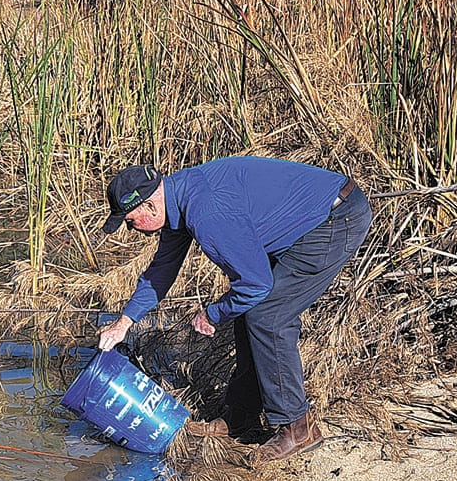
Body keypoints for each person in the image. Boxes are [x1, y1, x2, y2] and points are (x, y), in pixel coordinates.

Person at [95, 156, 372, 462]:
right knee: (253, 312)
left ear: (150, 205)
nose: (132, 229)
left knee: (269, 317)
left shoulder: (206, 212)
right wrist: (123, 323)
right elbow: (161, 271)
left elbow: (256, 284)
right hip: (312, 218)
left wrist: (213, 313)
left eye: (131, 220)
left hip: (333, 219)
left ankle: (298, 428)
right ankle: (242, 417)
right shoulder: (179, 197)